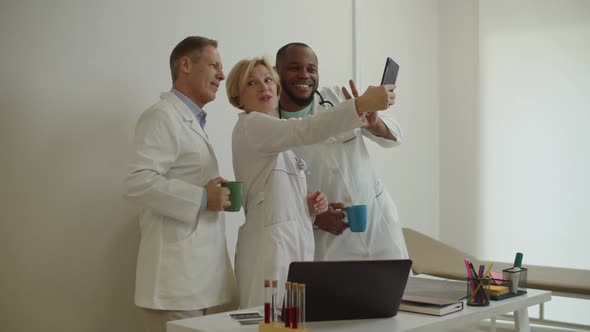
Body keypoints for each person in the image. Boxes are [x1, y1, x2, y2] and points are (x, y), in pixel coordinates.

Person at [225, 57, 394, 308]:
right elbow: (304, 130)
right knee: (266, 322)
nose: (264, 87)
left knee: (290, 321)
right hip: (269, 253)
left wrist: (310, 209)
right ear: (238, 97)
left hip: (292, 248)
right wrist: (359, 105)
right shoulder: (252, 125)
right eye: (252, 83)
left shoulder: (274, 136)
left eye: (268, 79)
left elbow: (272, 197)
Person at [124, 36, 236, 332]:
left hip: (197, 281)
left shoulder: (191, 120)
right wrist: (201, 197)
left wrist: (212, 191)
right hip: (174, 286)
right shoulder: (162, 116)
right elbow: (138, 183)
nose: (222, 75)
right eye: (214, 65)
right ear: (185, 65)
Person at [275, 42, 409, 262]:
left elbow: (395, 135)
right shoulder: (272, 126)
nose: (304, 75)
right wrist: (314, 217)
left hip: (378, 226)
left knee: (394, 293)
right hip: (330, 241)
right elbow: (274, 194)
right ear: (277, 72)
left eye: (311, 69)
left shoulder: (339, 97)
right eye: (294, 68)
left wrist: (374, 124)